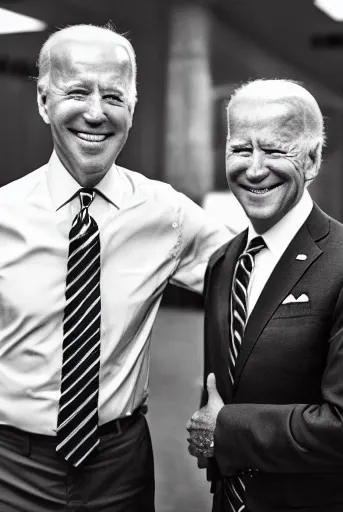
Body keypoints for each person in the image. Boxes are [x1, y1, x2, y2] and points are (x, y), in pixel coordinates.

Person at [0, 24, 231, 511]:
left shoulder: (166, 214)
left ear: (133, 104)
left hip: (119, 463)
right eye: (77, 91)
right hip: (10, 465)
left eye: (113, 95)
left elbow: (266, 276)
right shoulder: (3, 215)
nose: (95, 112)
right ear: (44, 101)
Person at [187, 79, 343, 512]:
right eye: (241, 149)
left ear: (313, 159)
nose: (254, 168)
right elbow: (226, 382)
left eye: (275, 149)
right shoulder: (223, 262)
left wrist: (224, 430)